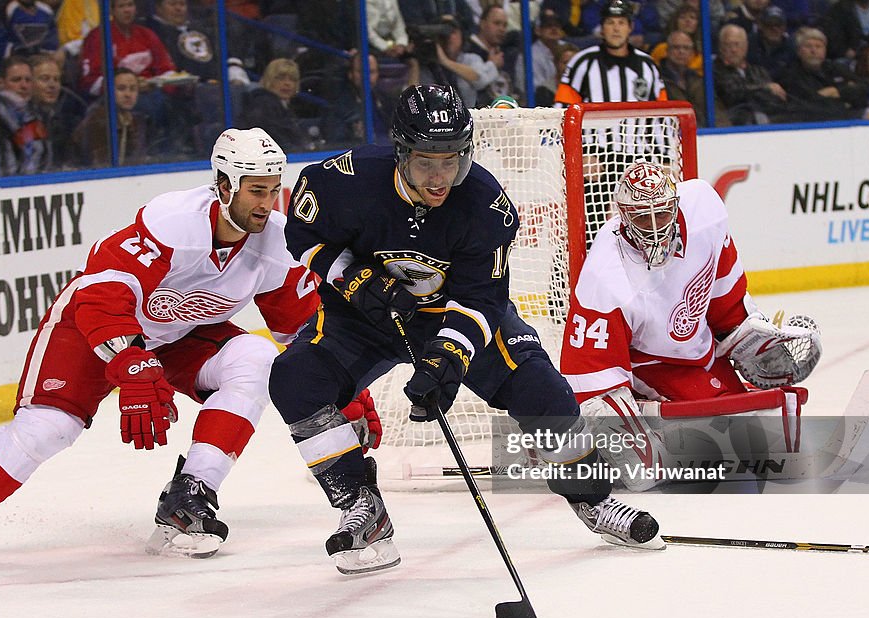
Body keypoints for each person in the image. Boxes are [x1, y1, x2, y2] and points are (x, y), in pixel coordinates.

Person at [0, 127, 382, 567]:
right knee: (50, 427)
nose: (268, 202)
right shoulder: (171, 223)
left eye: (274, 188)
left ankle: (190, 495)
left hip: (178, 335)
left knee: (256, 361)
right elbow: (100, 298)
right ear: (223, 185)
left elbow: (302, 331)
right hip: (92, 328)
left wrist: (348, 392)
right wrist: (131, 366)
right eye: (256, 189)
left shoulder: (275, 241)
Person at [269, 84, 665, 577]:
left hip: (453, 315)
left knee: (541, 390)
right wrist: (353, 278)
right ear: (399, 152)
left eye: (452, 159)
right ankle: (362, 507)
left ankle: (595, 500)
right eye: (425, 162)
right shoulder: (343, 179)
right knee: (294, 378)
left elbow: (482, 298)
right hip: (365, 316)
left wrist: (447, 358)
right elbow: (301, 234)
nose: (440, 178)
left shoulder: (486, 205)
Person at [559, 161, 821, 490]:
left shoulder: (704, 211)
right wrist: (617, 423)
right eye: (642, 217)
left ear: (675, 205)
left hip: (700, 351)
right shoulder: (607, 273)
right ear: (623, 218)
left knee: (753, 432)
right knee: (654, 470)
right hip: (648, 364)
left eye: (662, 214)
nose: (654, 227)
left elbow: (725, 296)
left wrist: (745, 334)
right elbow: (587, 371)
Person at [554, 0, 666, 106]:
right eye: (610, 22)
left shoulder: (648, 65)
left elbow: (662, 112)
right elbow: (563, 106)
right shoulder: (582, 62)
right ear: (602, 28)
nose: (616, 29)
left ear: (630, 28)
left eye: (621, 23)